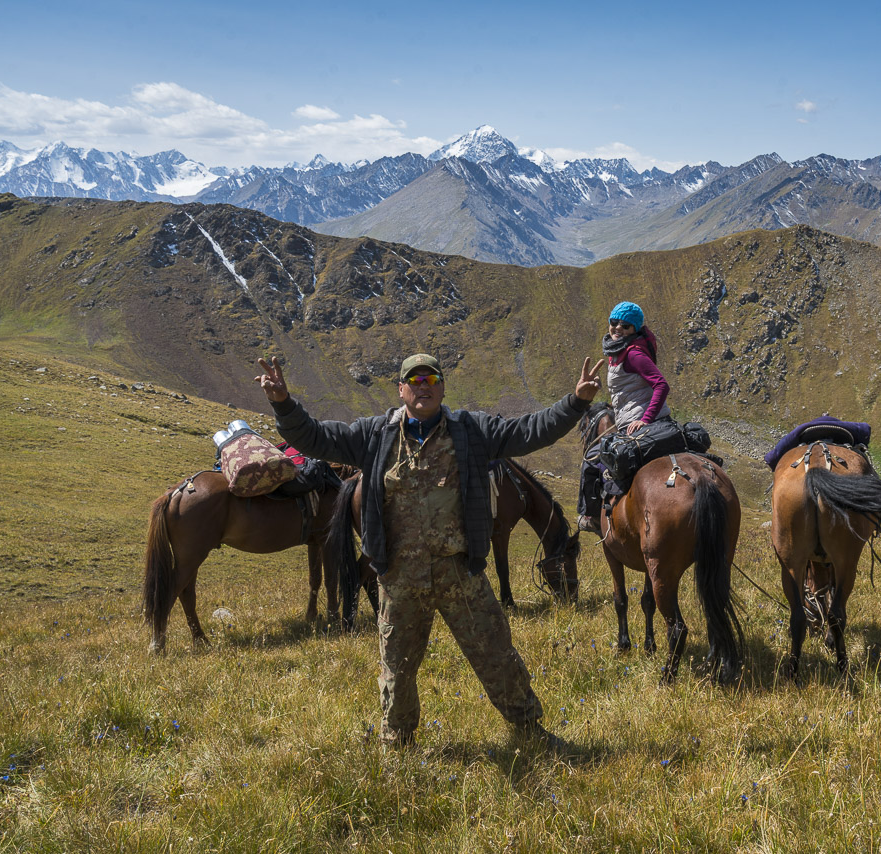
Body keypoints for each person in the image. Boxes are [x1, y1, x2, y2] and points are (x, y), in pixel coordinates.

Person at [256, 352, 603, 749]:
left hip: (460, 573)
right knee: (397, 670)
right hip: (400, 579)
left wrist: (575, 402)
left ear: (442, 387)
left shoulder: (471, 431)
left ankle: (529, 731)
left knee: (496, 654)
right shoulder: (374, 435)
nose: (423, 386)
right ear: (401, 389)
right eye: (414, 380)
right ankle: (398, 745)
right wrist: (282, 402)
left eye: (431, 379)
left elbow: (529, 431)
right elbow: (315, 437)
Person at [576, 301, 670, 533]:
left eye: (625, 326)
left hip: (640, 423)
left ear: (635, 330)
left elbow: (661, 385)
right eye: (613, 322)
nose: (617, 328)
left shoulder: (633, 354)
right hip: (643, 419)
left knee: (591, 459)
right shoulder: (619, 351)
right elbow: (630, 387)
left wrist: (645, 419)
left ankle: (591, 517)